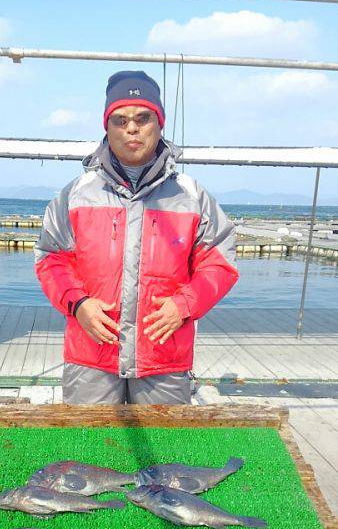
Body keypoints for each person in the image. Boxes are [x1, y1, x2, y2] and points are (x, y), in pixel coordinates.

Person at [35, 70, 238, 404]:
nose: (131, 128)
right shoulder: (75, 195)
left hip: (164, 358)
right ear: (107, 126)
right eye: (120, 119)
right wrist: (78, 303)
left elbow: (220, 262)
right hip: (91, 354)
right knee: (88, 450)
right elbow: (50, 258)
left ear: (159, 124)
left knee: (164, 452)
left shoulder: (191, 196)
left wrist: (184, 304)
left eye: (143, 118)